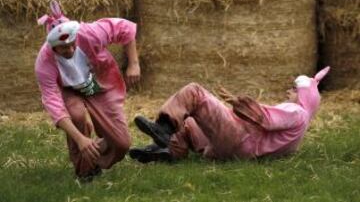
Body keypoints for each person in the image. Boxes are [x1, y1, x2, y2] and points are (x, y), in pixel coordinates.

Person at [129, 67, 330, 163]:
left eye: (293, 90)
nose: (289, 92)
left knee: (194, 92)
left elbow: (266, 120)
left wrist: (239, 103)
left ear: (304, 96)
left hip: (238, 139)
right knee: (190, 120)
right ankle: (167, 151)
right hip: (237, 151)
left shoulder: (297, 112)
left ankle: (163, 129)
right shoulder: (299, 131)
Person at [35, 0, 140, 181]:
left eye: (72, 43)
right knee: (75, 116)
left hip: (97, 83)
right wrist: (79, 139)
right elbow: (54, 106)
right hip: (69, 90)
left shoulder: (88, 33)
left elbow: (125, 28)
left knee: (122, 144)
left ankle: (95, 156)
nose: (70, 49)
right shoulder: (44, 62)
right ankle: (85, 171)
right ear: (53, 47)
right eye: (63, 47)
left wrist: (134, 64)